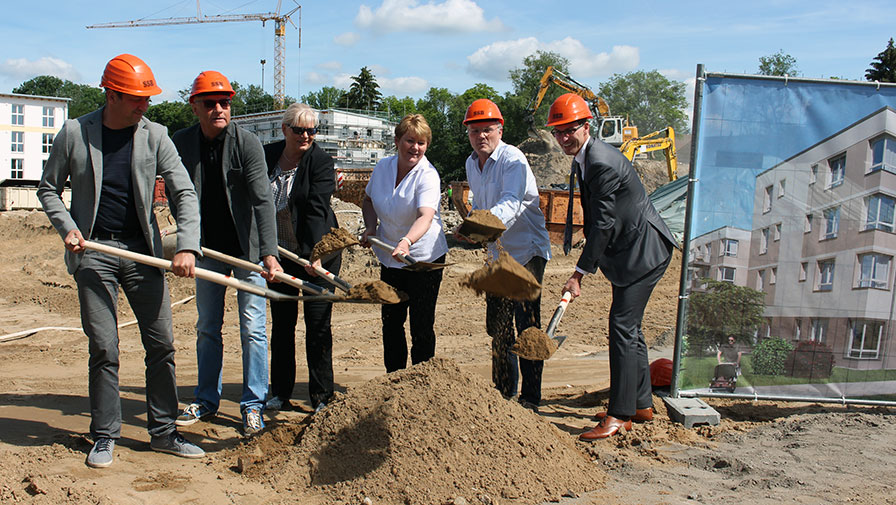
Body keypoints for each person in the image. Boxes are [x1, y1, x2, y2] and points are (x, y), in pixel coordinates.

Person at [37, 54, 206, 468]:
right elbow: (47, 189)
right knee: (104, 346)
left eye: (147, 99)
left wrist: (186, 245)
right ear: (111, 95)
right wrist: (68, 228)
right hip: (93, 252)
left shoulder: (156, 135)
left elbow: (184, 193)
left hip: (143, 253)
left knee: (161, 344)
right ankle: (104, 435)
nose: (143, 106)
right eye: (135, 98)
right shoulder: (75, 133)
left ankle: (164, 432)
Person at [547, 93, 678, 440]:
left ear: (586, 126)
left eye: (568, 130)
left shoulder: (601, 161)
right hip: (629, 251)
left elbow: (603, 225)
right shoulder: (584, 158)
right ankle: (641, 403)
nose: (563, 138)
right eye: (557, 132)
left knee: (621, 326)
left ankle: (620, 414)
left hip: (644, 252)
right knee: (630, 329)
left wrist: (579, 274)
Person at [171, 71, 282, 436]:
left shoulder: (246, 143)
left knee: (253, 329)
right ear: (195, 107)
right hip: (207, 250)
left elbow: (263, 200)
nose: (219, 109)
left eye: (225, 103)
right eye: (210, 103)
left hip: (246, 251)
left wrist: (268, 253)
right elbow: (175, 193)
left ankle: (253, 403)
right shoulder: (182, 143)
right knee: (207, 327)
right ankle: (206, 399)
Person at [460, 99, 552, 412]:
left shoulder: (513, 160)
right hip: (497, 253)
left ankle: (530, 399)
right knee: (497, 326)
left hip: (526, 251)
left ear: (500, 130)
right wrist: (472, 223)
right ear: (468, 134)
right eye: (474, 131)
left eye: (487, 129)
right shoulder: (472, 163)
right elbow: (482, 204)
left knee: (527, 326)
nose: (481, 136)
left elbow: (511, 203)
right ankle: (504, 395)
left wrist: (480, 227)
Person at [264, 103, 340, 413]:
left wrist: (314, 256)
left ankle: (322, 397)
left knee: (318, 324)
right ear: (285, 130)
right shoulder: (267, 156)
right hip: (279, 254)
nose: (306, 135)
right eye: (299, 130)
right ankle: (280, 392)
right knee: (282, 325)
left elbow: (317, 211)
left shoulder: (320, 162)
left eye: (312, 130)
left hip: (317, 252)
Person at [360, 114, 449, 372]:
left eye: (421, 143)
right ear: (398, 141)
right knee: (391, 321)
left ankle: (421, 382)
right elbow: (368, 201)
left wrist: (407, 241)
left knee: (421, 324)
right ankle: (394, 379)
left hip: (423, 258)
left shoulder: (428, 175)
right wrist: (370, 227)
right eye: (410, 140)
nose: (415, 148)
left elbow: (426, 216)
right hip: (390, 255)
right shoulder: (383, 168)